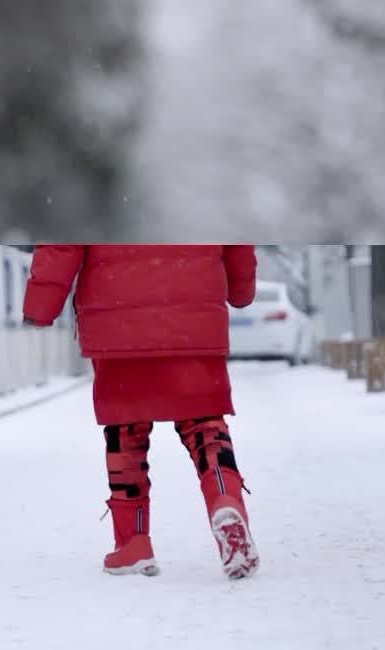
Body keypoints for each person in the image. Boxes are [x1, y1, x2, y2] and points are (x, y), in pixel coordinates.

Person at [22, 245, 261, 579]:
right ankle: (225, 500)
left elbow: (61, 244)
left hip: (116, 325)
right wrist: (241, 289)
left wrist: (39, 307)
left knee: (125, 433)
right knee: (206, 425)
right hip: (194, 322)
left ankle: (132, 543)